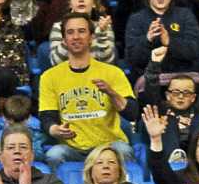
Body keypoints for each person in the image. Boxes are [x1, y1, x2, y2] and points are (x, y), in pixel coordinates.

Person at [37, 13, 133, 166]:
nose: (76, 36)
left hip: (108, 146)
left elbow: (132, 112)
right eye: (70, 32)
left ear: (91, 37)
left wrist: (112, 93)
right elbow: (47, 117)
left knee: (123, 150)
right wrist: (56, 130)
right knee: (54, 154)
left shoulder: (113, 72)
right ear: (63, 40)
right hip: (71, 148)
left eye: (81, 31)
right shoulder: (49, 77)